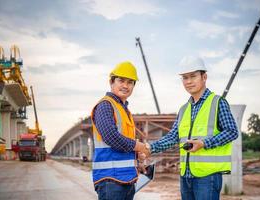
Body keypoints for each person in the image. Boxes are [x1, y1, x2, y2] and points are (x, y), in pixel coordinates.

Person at [146, 56, 239, 200]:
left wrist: (204, 143)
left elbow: (232, 131)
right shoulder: (184, 109)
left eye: (193, 76)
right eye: (185, 78)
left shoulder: (217, 102)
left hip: (208, 177)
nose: (188, 81)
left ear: (204, 77)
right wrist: (149, 148)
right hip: (186, 175)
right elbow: (173, 137)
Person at [91, 61, 150, 200]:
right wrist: (140, 146)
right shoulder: (105, 105)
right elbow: (111, 137)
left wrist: (137, 159)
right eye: (121, 80)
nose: (125, 85)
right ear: (111, 82)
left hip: (126, 178)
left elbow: (125, 145)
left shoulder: (124, 110)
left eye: (130, 82)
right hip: (110, 180)